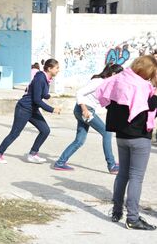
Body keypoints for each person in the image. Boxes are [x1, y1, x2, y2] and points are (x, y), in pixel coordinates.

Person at [97, 56, 157, 230]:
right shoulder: (143, 87)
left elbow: (105, 96)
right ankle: (133, 218)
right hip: (139, 137)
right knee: (136, 177)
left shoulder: (118, 79)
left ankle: (117, 211)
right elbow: (151, 108)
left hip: (121, 136)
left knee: (122, 173)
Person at [53, 64, 123, 173]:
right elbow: (79, 93)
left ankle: (60, 162)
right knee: (107, 132)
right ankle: (112, 165)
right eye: (119, 76)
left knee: (79, 140)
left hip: (84, 110)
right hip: (84, 110)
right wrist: (84, 109)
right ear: (113, 74)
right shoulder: (99, 82)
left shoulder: (106, 83)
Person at [0, 59, 62, 164]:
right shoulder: (40, 78)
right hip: (24, 108)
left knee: (45, 130)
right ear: (49, 68)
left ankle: (33, 154)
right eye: (57, 68)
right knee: (15, 133)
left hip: (32, 109)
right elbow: (37, 100)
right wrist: (52, 109)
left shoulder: (46, 78)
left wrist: (47, 95)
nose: (58, 70)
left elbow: (40, 93)